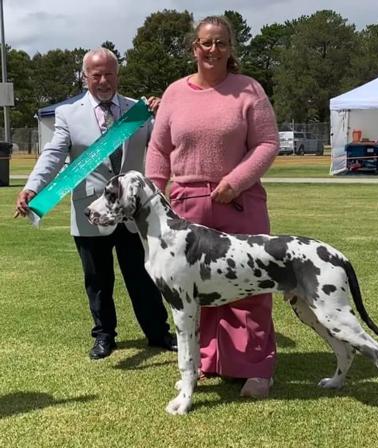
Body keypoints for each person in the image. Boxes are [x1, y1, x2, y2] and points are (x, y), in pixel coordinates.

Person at [145, 16, 279, 398]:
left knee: (250, 284)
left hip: (239, 201)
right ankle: (205, 361)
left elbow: (267, 143)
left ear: (230, 48)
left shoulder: (249, 89)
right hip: (187, 204)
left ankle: (255, 368)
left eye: (221, 43)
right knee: (192, 290)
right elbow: (159, 149)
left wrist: (236, 180)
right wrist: (154, 194)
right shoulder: (174, 93)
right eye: (206, 42)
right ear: (194, 48)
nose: (213, 50)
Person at [16, 47, 177, 359]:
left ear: (118, 75)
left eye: (109, 74)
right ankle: (104, 336)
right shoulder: (68, 114)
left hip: (133, 213)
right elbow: (53, 155)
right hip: (90, 211)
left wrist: (164, 112)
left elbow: (164, 142)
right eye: (96, 75)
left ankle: (158, 333)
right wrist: (33, 187)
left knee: (143, 277)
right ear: (85, 76)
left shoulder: (139, 110)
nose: (103, 81)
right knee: (97, 280)